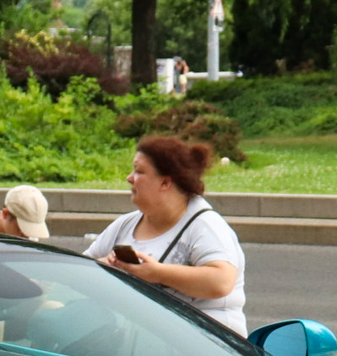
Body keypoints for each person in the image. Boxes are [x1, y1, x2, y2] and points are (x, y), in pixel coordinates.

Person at [85, 134, 246, 333]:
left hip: (207, 351)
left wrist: (156, 273)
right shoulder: (126, 224)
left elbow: (221, 282)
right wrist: (107, 266)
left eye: (138, 171)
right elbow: (82, 267)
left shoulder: (206, 225)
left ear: (165, 183)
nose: (129, 178)